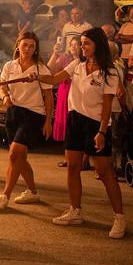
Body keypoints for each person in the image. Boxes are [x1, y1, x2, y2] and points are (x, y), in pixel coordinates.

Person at [36, 27, 126, 239]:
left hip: (96, 124)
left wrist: (102, 132)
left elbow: (106, 106)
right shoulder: (77, 65)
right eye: (82, 44)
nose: (82, 48)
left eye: (87, 44)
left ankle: (120, 218)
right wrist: (36, 76)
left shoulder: (110, 72)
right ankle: (75, 211)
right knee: (73, 167)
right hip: (75, 120)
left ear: (98, 45)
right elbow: (55, 79)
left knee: (104, 173)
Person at [0, 32, 53, 210]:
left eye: (32, 46)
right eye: (25, 45)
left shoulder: (41, 69)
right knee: (21, 158)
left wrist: (48, 121)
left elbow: (48, 97)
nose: (28, 49)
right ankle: (33, 192)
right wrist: (4, 97)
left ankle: (5, 196)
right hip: (14, 113)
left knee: (13, 154)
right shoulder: (9, 66)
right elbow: (3, 87)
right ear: (18, 45)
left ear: (35, 49)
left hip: (33, 114)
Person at [48, 37, 83, 168]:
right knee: (66, 121)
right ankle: (68, 158)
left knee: (78, 122)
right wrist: (55, 53)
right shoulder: (65, 58)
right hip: (65, 90)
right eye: (72, 44)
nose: (74, 47)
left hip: (79, 91)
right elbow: (51, 70)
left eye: (77, 45)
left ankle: (83, 160)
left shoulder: (86, 61)